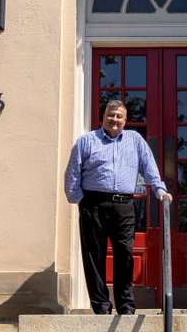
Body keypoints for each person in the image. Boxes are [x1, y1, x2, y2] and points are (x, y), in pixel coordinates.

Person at [64, 100, 173, 315]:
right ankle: (102, 307)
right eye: (110, 115)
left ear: (125, 120)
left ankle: (126, 305)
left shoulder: (135, 140)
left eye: (119, 116)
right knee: (94, 255)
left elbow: (148, 166)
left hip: (124, 205)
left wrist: (160, 190)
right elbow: (72, 174)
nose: (114, 120)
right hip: (93, 204)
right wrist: (80, 200)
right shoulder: (86, 141)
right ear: (104, 116)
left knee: (124, 254)